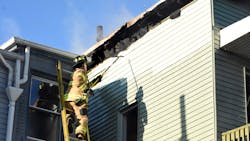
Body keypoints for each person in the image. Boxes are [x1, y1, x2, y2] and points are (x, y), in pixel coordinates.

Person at [64, 55, 102, 139]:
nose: (86, 66)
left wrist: (95, 81)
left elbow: (81, 85)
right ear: (82, 65)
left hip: (68, 100)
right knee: (83, 119)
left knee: (69, 115)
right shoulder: (80, 73)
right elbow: (79, 83)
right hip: (78, 100)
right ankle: (80, 133)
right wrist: (86, 91)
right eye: (85, 64)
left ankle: (68, 120)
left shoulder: (73, 74)